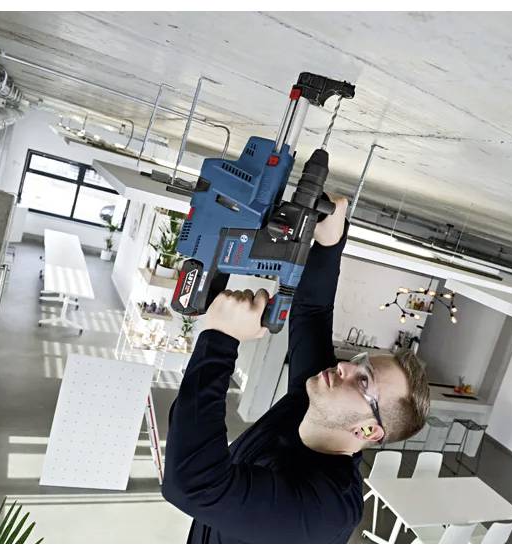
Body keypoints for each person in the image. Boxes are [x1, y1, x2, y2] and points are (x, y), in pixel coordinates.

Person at [161, 194, 431, 543]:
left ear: (368, 431)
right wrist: (329, 241)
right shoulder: (317, 402)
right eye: (360, 362)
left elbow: (193, 484)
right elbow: (313, 312)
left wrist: (219, 339)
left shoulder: (326, 510)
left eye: (364, 380)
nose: (346, 366)